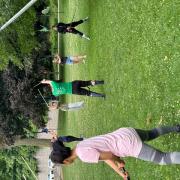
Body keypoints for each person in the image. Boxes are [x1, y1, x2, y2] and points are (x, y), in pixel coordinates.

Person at [50, 125, 180, 179]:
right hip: (126, 133)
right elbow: (106, 157)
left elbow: (111, 156)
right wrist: (120, 172)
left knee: (163, 158)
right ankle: (176, 127)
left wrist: (120, 161)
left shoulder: (84, 156)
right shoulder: (80, 145)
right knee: (152, 133)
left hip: (129, 145)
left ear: (66, 161)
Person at [41, 79, 105, 98]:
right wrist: (44, 81)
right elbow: (50, 81)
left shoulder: (55, 94)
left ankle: (102, 95)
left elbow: (53, 89)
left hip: (74, 91)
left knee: (88, 93)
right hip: (73, 84)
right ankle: (101, 82)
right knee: (88, 83)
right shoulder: (54, 84)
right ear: (49, 86)